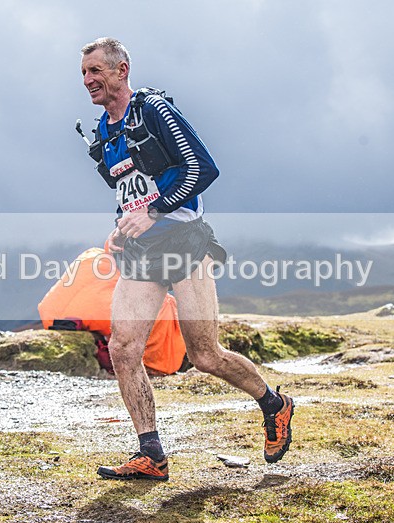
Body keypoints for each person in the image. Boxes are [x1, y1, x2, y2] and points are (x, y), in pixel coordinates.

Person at [80, 37, 293, 481]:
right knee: (123, 348)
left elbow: (202, 169)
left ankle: (274, 404)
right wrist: (122, 225)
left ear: (121, 70)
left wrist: (154, 211)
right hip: (141, 251)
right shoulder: (103, 130)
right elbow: (130, 191)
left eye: (95, 70)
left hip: (184, 243)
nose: (88, 80)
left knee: (204, 355)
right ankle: (151, 454)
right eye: (83, 73)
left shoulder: (153, 109)